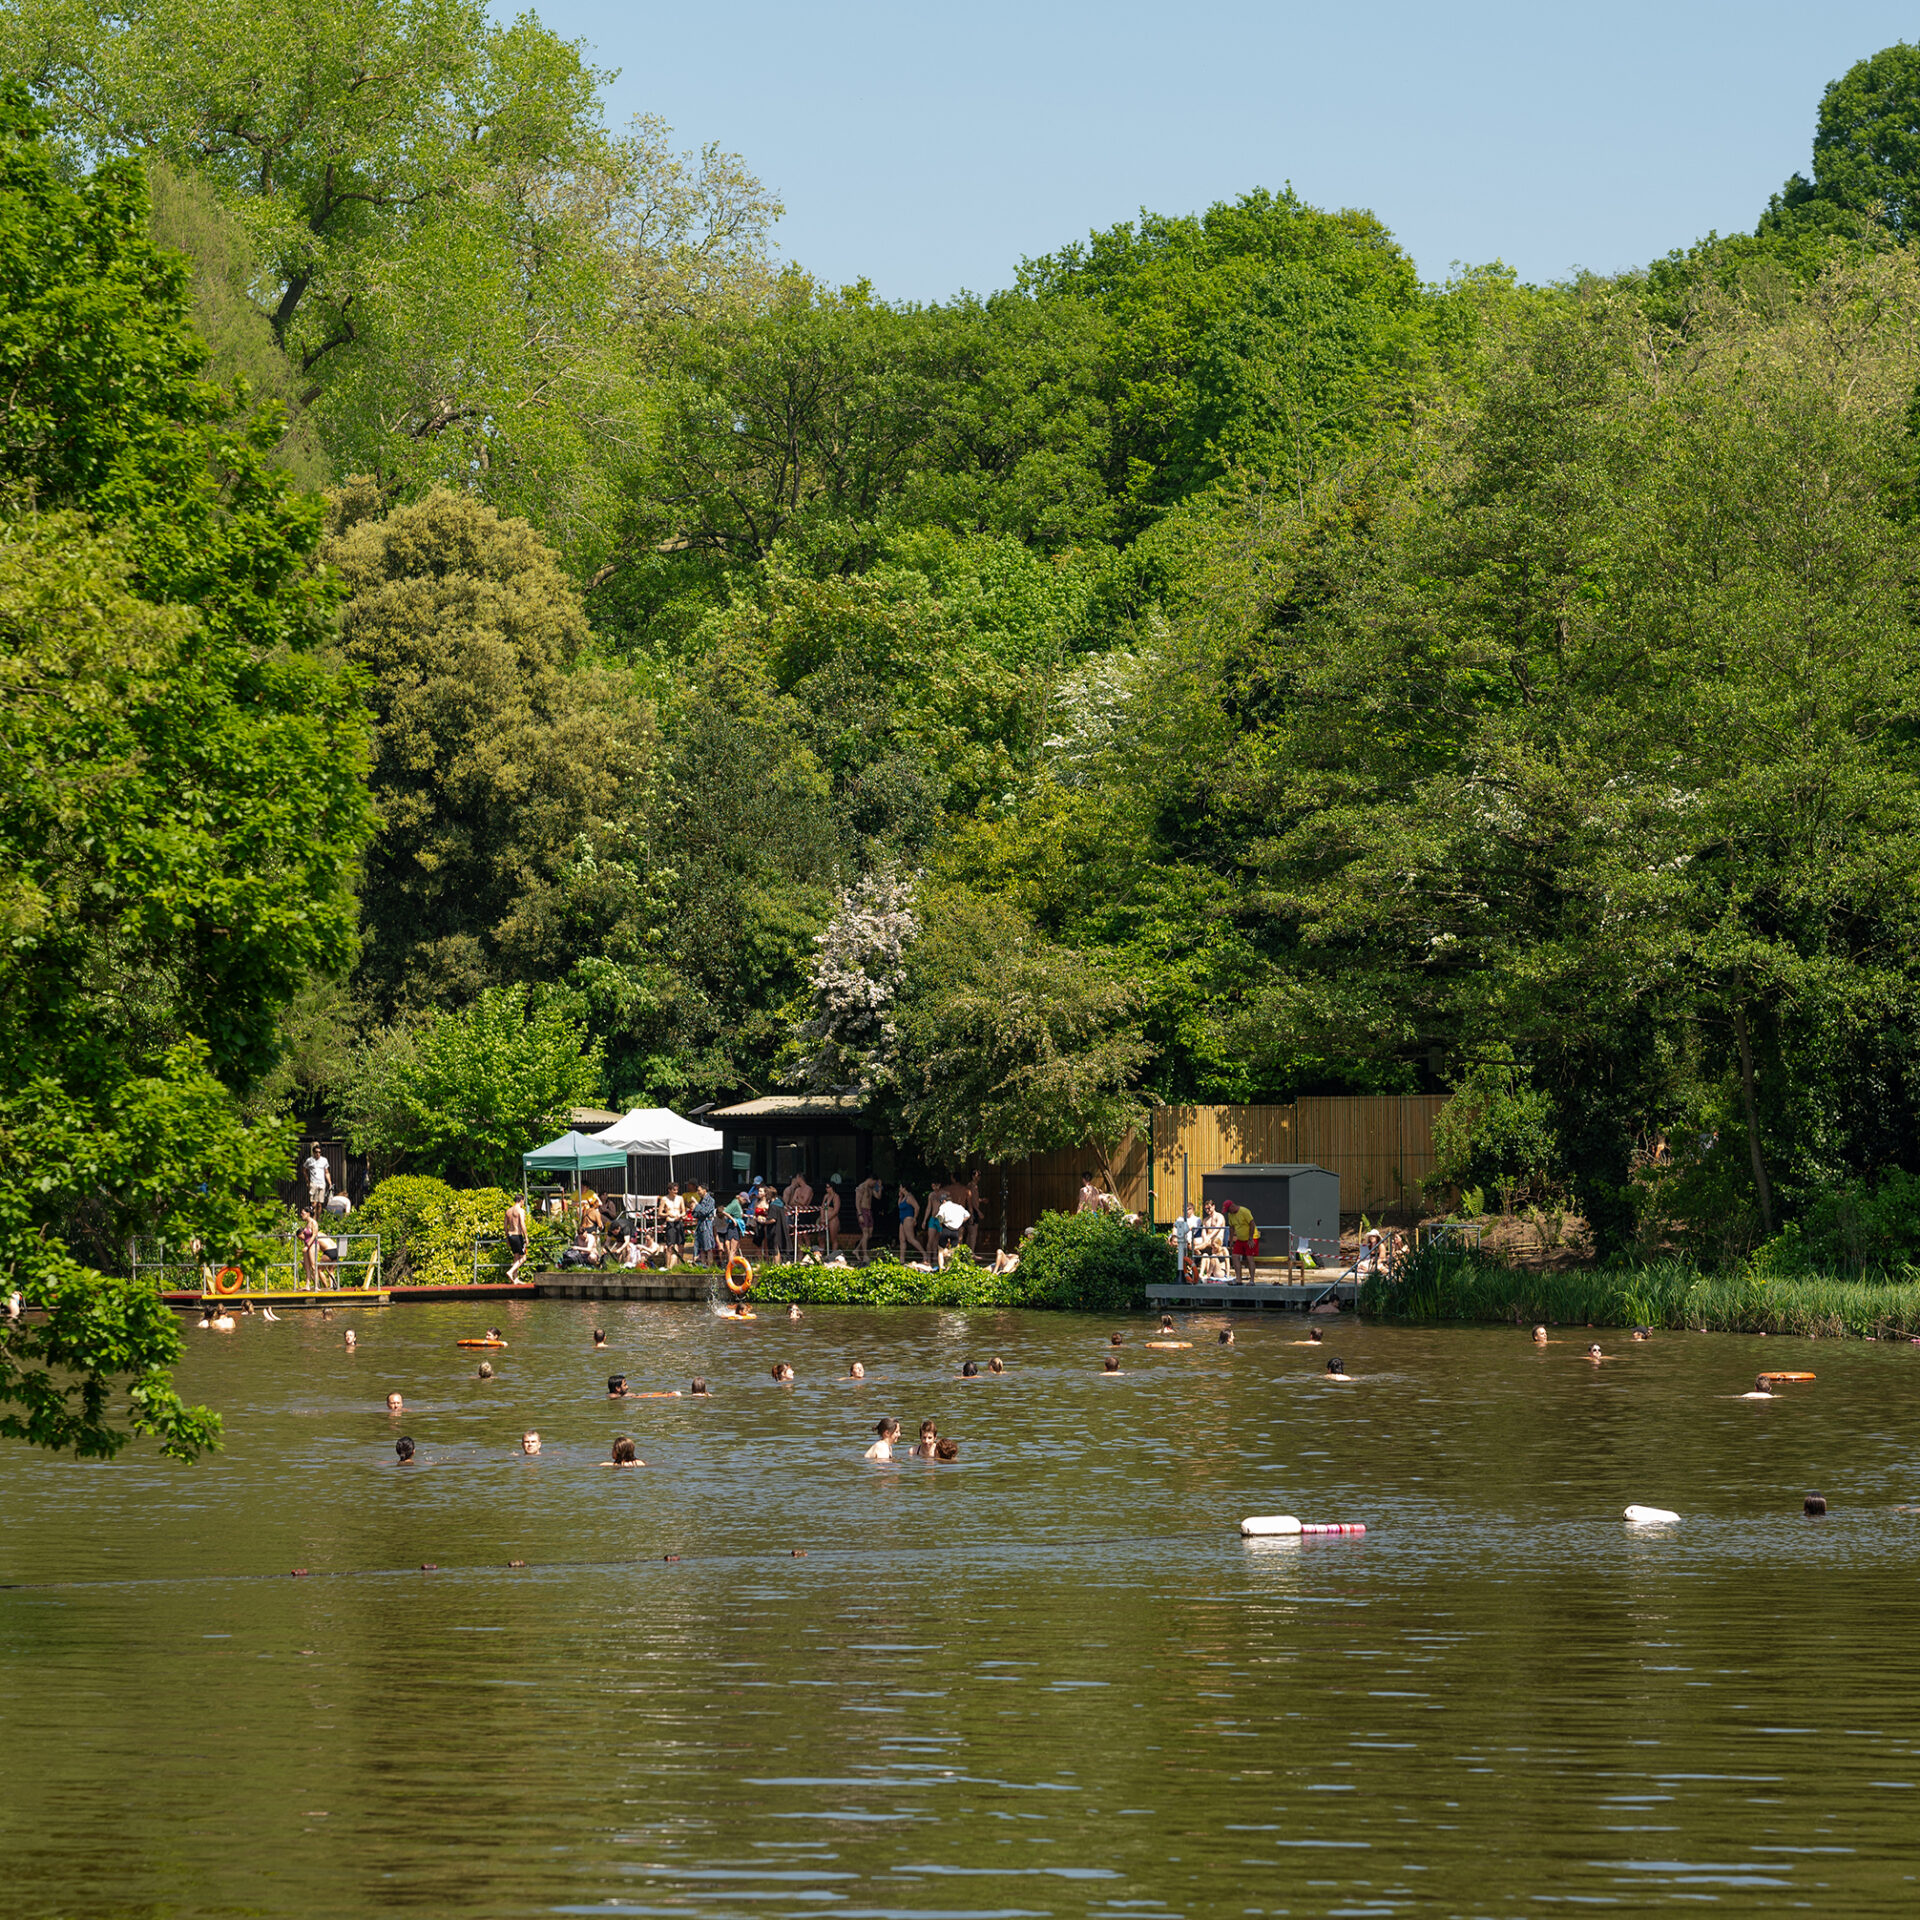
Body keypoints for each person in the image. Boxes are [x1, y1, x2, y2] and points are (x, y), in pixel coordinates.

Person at [931, 1191, 970, 1269]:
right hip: (955, 1231)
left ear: (944, 1201)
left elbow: (940, 1216)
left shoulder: (943, 1206)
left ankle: (941, 1267)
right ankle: (949, 1268)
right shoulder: (959, 1207)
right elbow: (968, 1215)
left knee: (941, 1250)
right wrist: (960, 1221)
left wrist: (941, 1222)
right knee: (952, 1252)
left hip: (946, 1229)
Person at [1225, 1195, 1259, 1284]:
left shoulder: (1244, 1211)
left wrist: (1251, 1238)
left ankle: (1252, 1280)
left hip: (1251, 1238)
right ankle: (1238, 1279)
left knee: (1249, 1257)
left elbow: (1252, 1224)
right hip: (1240, 1239)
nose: (1228, 1212)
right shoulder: (1230, 1215)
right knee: (1235, 1256)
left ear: (1232, 1206)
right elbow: (1231, 1228)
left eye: (1229, 1210)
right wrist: (1231, 1241)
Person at [855, 1175, 882, 1259]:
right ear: (871, 1180)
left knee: (869, 1234)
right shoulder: (861, 1187)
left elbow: (878, 1197)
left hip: (869, 1211)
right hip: (863, 1211)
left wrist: (880, 1187)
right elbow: (857, 1202)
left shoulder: (871, 1188)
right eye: (875, 1183)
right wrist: (860, 1214)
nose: (875, 1184)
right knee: (865, 1234)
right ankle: (865, 1255)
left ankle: (856, 1250)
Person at [504, 1195, 530, 1281]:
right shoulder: (520, 1211)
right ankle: (510, 1272)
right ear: (521, 1200)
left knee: (516, 1256)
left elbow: (505, 1226)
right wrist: (526, 1237)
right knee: (523, 1258)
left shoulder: (508, 1211)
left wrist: (507, 1238)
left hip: (511, 1236)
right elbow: (522, 1224)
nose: (523, 1203)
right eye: (523, 1201)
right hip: (517, 1235)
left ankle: (515, 1279)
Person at [896, 1185, 925, 1262]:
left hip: (908, 1218)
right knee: (902, 1239)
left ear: (904, 1188)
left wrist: (915, 1218)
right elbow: (899, 1206)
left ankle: (925, 1255)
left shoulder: (909, 1197)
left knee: (910, 1239)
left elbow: (917, 1207)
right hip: (902, 1219)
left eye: (901, 1187)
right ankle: (902, 1259)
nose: (899, 1189)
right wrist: (900, 1196)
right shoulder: (903, 1197)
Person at [660, 1183, 688, 1257]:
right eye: (674, 1190)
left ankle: (680, 1264)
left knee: (681, 1244)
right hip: (670, 1222)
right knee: (670, 1245)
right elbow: (660, 1213)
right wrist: (667, 1214)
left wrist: (681, 1215)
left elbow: (684, 1211)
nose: (676, 1192)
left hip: (678, 1221)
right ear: (669, 1190)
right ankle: (668, 1265)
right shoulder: (664, 1199)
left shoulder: (680, 1198)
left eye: (677, 1190)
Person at [691, 1185, 717, 1265]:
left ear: (704, 1190)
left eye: (699, 1190)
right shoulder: (701, 1200)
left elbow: (704, 1212)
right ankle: (702, 1266)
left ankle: (710, 1266)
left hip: (707, 1225)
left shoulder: (710, 1200)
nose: (698, 1192)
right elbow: (695, 1214)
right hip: (700, 1225)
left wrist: (696, 1203)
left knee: (708, 1247)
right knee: (701, 1248)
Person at [303, 1141, 332, 1212]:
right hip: (313, 1183)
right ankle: (314, 1219)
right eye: (316, 1152)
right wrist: (307, 1181)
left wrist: (330, 1183)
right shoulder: (309, 1160)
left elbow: (327, 1172)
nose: (318, 1153)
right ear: (313, 1152)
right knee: (313, 1203)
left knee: (320, 1204)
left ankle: (318, 1220)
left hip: (322, 1183)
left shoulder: (324, 1160)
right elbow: (304, 1170)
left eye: (319, 1152)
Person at [297, 1207, 321, 1289]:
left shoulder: (313, 1223)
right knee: (307, 1266)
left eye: (303, 1213)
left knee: (313, 1265)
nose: (301, 1215)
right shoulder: (306, 1224)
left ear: (308, 1213)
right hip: (306, 1246)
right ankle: (307, 1285)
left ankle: (316, 1285)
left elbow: (314, 1235)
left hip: (312, 1245)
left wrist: (308, 1246)